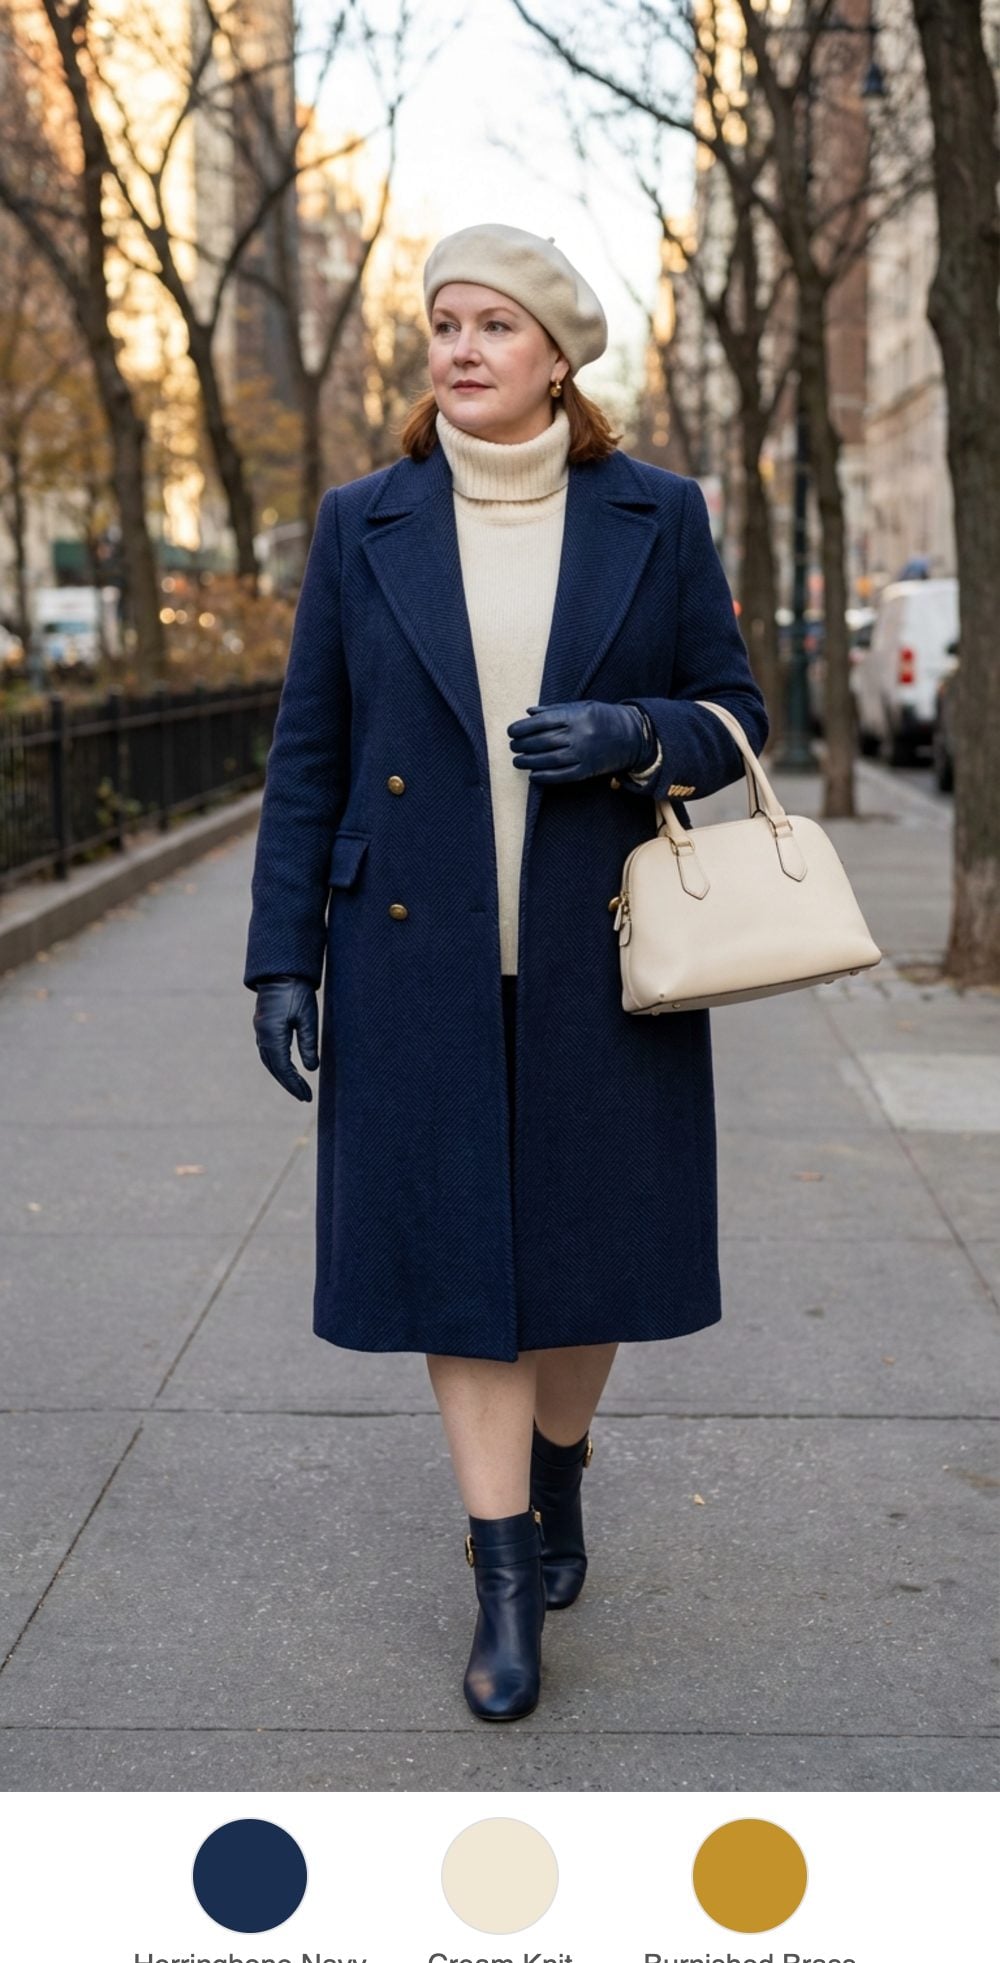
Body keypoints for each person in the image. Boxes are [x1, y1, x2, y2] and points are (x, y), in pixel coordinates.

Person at [244, 222, 767, 1726]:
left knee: (588, 1256)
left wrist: (635, 735)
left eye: (493, 326)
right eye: (441, 325)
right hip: (413, 962)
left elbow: (737, 718)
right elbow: (309, 759)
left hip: (605, 956)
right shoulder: (367, 521)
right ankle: (500, 1572)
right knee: (456, 1271)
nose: (460, 349)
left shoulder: (655, 514)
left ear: (557, 355)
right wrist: (284, 957)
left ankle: (559, 1465)